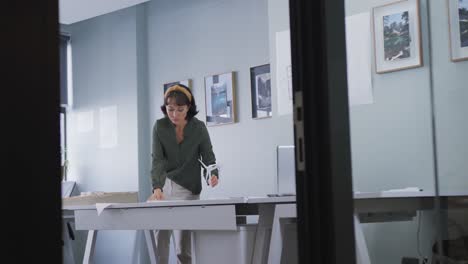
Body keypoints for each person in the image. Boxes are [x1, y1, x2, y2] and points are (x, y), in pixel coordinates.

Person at [147, 83, 219, 264]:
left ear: (189, 107)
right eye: (170, 109)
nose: (175, 114)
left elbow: (208, 157)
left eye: (180, 109)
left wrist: (213, 174)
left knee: (183, 249)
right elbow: (157, 159)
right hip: (164, 187)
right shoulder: (159, 127)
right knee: (160, 243)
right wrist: (156, 186)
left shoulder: (199, 128)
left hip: (188, 188)